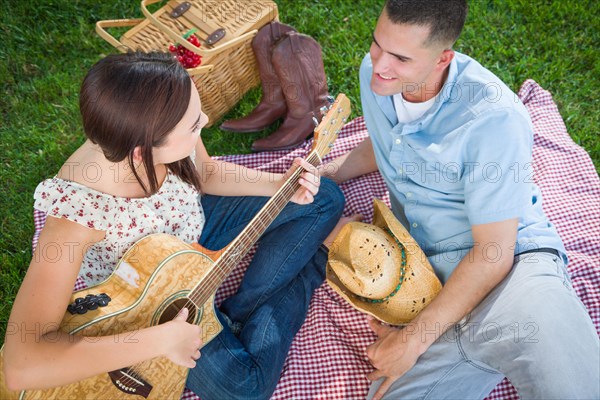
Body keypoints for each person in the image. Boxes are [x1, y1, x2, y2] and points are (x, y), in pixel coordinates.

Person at [2, 51, 345, 400]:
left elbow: (206, 172)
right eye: (194, 125)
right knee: (248, 388)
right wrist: (160, 341)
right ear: (141, 152)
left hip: (193, 230)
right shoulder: (76, 214)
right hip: (150, 303)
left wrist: (278, 185)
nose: (206, 121)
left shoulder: (163, 109)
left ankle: (239, 310)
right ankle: (313, 264)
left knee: (323, 199)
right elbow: (21, 365)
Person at [320, 1, 600, 399]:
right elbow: (388, 140)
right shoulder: (379, 76)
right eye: (376, 44)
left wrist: (412, 340)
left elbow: (493, 253)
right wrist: (331, 173)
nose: (380, 64)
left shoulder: (495, 120)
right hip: (431, 290)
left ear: (442, 59)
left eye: (400, 57)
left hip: (512, 277)